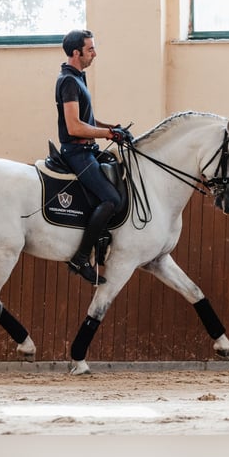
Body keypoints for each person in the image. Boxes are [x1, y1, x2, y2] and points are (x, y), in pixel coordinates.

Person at [55, 29, 131, 285]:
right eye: (90, 49)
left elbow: (86, 120)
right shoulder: (68, 82)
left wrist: (112, 128)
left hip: (88, 149)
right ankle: (80, 257)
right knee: (111, 198)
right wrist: (108, 134)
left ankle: (101, 239)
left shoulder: (78, 79)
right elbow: (75, 127)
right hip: (76, 152)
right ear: (76, 52)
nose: (94, 53)